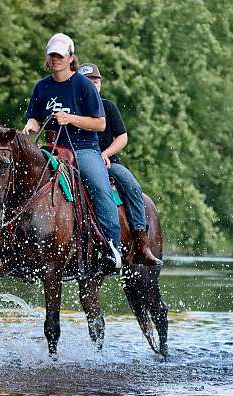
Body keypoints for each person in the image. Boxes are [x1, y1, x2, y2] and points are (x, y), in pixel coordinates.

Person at [22, 33, 122, 270]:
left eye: (60, 55)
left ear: (70, 58)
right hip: (51, 147)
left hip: (84, 149)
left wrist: (71, 118)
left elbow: (100, 124)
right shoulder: (41, 87)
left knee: (99, 188)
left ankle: (112, 248)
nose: (55, 59)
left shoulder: (84, 85)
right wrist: (30, 125)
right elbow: (34, 118)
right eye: (52, 55)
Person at [78, 63, 162, 266]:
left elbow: (122, 138)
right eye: (87, 82)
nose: (92, 85)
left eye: (95, 82)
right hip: (75, 161)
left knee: (131, 186)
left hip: (108, 163)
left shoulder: (108, 107)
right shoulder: (72, 110)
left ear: (100, 84)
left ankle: (141, 242)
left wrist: (105, 154)